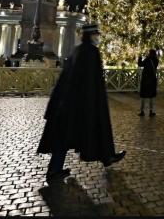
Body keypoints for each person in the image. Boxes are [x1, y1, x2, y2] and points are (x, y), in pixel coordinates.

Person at [37, 23, 126, 183]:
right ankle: (107, 157)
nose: (98, 37)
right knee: (94, 130)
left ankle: (56, 169)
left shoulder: (77, 50)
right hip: (81, 103)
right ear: (92, 35)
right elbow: (93, 81)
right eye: (96, 35)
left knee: (64, 137)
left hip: (67, 102)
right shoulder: (92, 52)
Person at [137, 49, 159, 117]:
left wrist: (140, 57)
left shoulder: (147, 59)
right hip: (152, 80)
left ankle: (142, 111)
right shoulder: (156, 60)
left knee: (143, 96)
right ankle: (151, 111)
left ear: (150, 53)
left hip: (145, 80)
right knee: (152, 97)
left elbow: (140, 64)